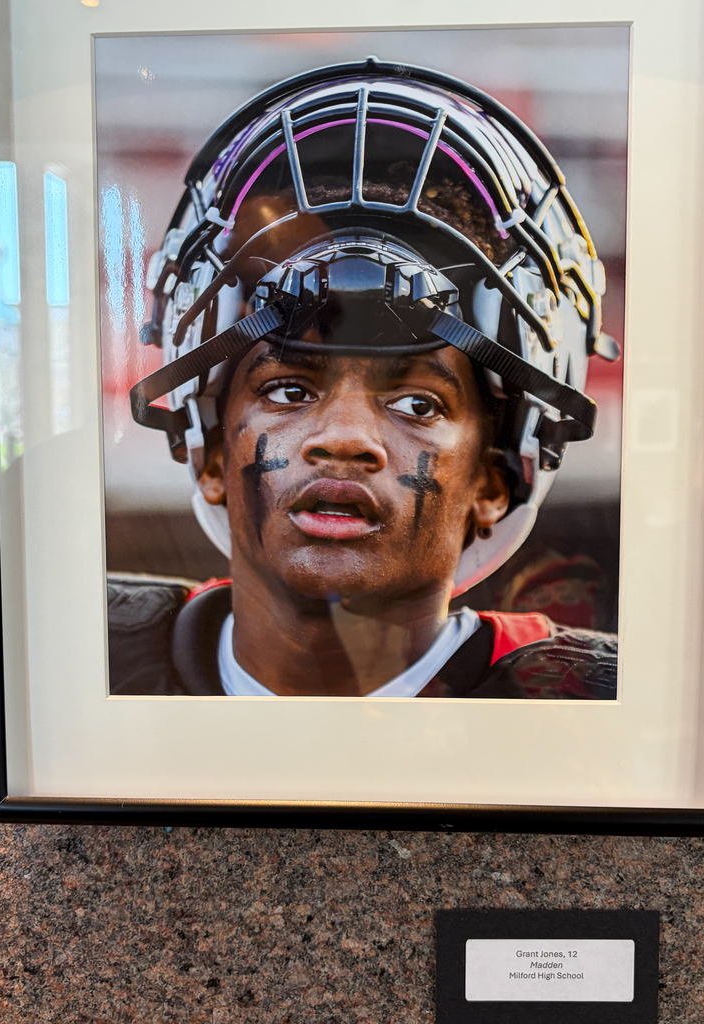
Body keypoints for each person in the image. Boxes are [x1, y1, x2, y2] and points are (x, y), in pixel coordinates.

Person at [107, 59, 619, 698]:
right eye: (288, 390)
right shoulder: (63, 670)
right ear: (210, 451)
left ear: (494, 479)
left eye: (417, 403)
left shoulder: (607, 712)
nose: (345, 438)